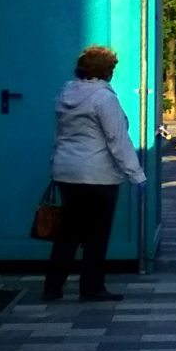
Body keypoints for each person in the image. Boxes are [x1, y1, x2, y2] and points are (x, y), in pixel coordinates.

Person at [44, 46, 147, 302]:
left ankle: (53, 287)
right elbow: (117, 139)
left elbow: (60, 135)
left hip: (66, 171)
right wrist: (137, 175)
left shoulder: (64, 93)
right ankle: (91, 287)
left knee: (67, 233)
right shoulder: (104, 99)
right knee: (96, 235)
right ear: (107, 70)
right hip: (97, 174)